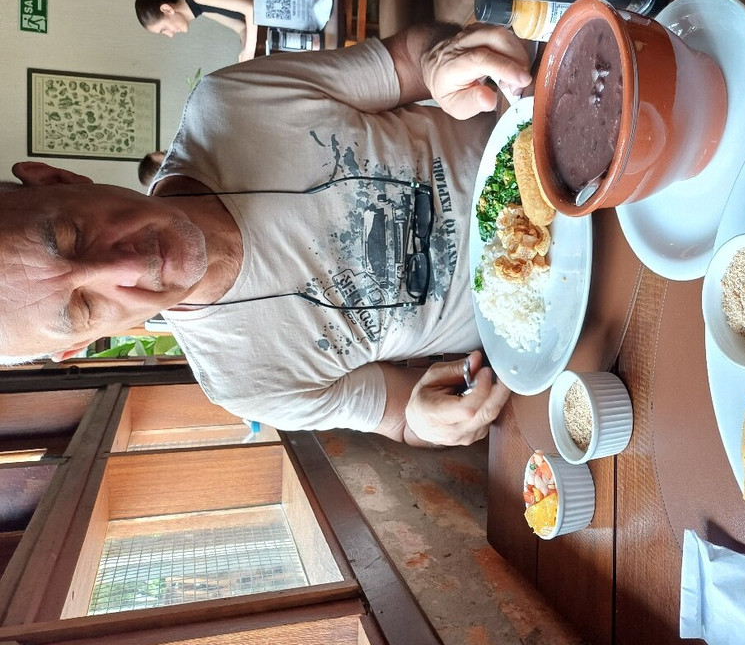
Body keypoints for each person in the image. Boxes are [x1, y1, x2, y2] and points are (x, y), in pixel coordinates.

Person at [0, 23, 531, 446]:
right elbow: (400, 419)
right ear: (82, 345)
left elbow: (408, 60)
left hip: (550, 155)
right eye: (84, 307)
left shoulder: (229, 104)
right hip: (550, 323)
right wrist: (424, 420)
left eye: (72, 235)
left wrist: (439, 57)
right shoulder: (246, 383)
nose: (130, 266)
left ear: (60, 180)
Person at [135, 0, 259, 63]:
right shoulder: (201, 8)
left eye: (164, 29)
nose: (170, 35)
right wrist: (247, 55)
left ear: (167, 9)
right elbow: (241, 28)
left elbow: (252, 9)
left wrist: (249, 50)